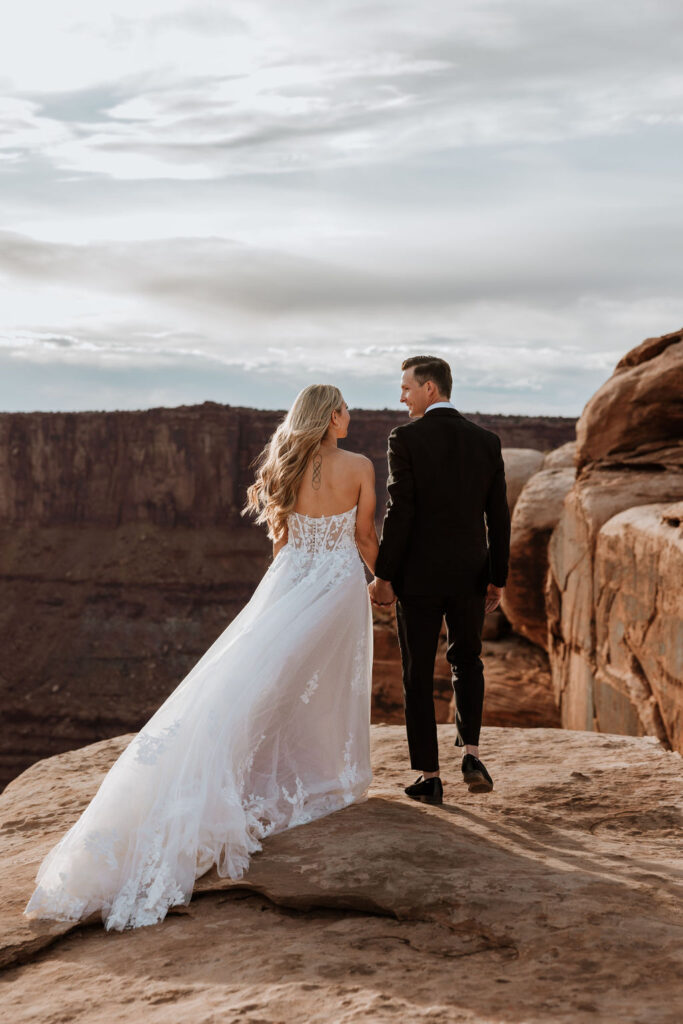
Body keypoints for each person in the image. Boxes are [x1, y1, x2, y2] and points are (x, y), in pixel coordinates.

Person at [24, 385, 378, 931]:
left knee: (258, 681)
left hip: (290, 580)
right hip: (335, 585)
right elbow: (363, 537)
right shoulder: (358, 466)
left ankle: (279, 772)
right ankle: (316, 774)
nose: (350, 416)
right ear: (332, 416)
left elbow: (282, 542)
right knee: (321, 683)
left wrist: (286, 587)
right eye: (346, 408)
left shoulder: (287, 463)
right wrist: (386, 581)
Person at [368, 356, 511, 806]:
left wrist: (384, 574)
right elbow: (498, 517)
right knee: (467, 660)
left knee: (416, 673)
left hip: (419, 577)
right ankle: (471, 754)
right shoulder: (486, 441)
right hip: (470, 573)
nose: (401, 396)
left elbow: (400, 510)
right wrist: (497, 578)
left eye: (407, 387)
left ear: (430, 388)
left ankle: (430, 777)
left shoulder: (405, 439)